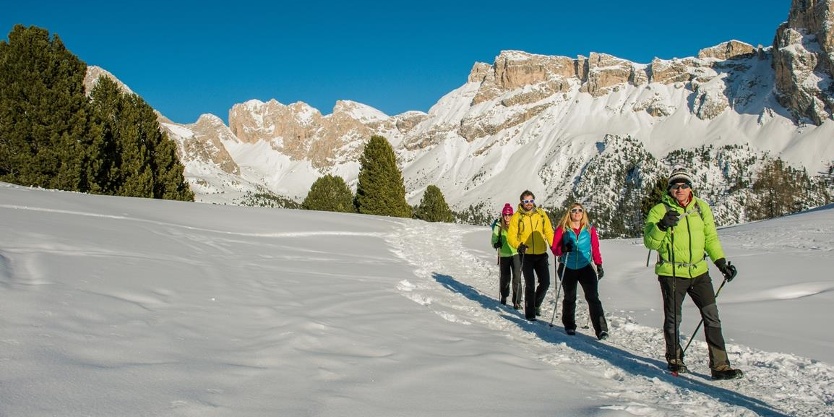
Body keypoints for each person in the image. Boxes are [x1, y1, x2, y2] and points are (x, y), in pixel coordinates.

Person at [644, 167, 743, 380]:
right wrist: (661, 226)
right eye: (675, 186)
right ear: (669, 189)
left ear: (690, 188)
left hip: (699, 271)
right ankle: (675, 359)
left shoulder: (701, 207)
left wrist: (721, 263)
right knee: (674, 319)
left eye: (684, 185)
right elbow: (649, 242)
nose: (680, 189)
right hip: (671, 272)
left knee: (712, 316)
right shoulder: (659, 211)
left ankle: (720, 366)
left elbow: (710, 238)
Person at [551, 202, 609, 340]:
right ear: (569, 213)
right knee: (570, 297)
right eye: (574, 210)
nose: (577, 213)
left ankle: (601, 329)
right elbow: (555, 249)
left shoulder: (589, 229)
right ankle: (569, 325)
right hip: (567, 266)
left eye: (579, 210)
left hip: (585, 267)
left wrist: (599, 264)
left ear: (583, 213)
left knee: (593, 298)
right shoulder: (562, 229)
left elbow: (595, 248)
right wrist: (563, 249)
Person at [506, 190, 554, 321]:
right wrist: (518, 245)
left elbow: (548, 231)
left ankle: (536, 304)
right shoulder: (517, 217)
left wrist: (554, 245)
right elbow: (511, 236)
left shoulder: (541, 214)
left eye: (531, 201)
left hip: (541, 254)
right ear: (521, 202)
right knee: (530, 284)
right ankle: (530, 313)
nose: (529, 203)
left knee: (545, 283)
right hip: (526, 255)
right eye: (526, 201)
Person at [491, 203, 522, 309]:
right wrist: (496, 243)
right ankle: (504, 296)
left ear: (512, 215)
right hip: (504, 255)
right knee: (505, 278)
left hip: (516, 253)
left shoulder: (516, 225)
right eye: (505, 214)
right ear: (503, 215)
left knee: (517, 278)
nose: (507, 217)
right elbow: (494, 239)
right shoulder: (499, 225)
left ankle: (517, 301)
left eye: (509, 214)